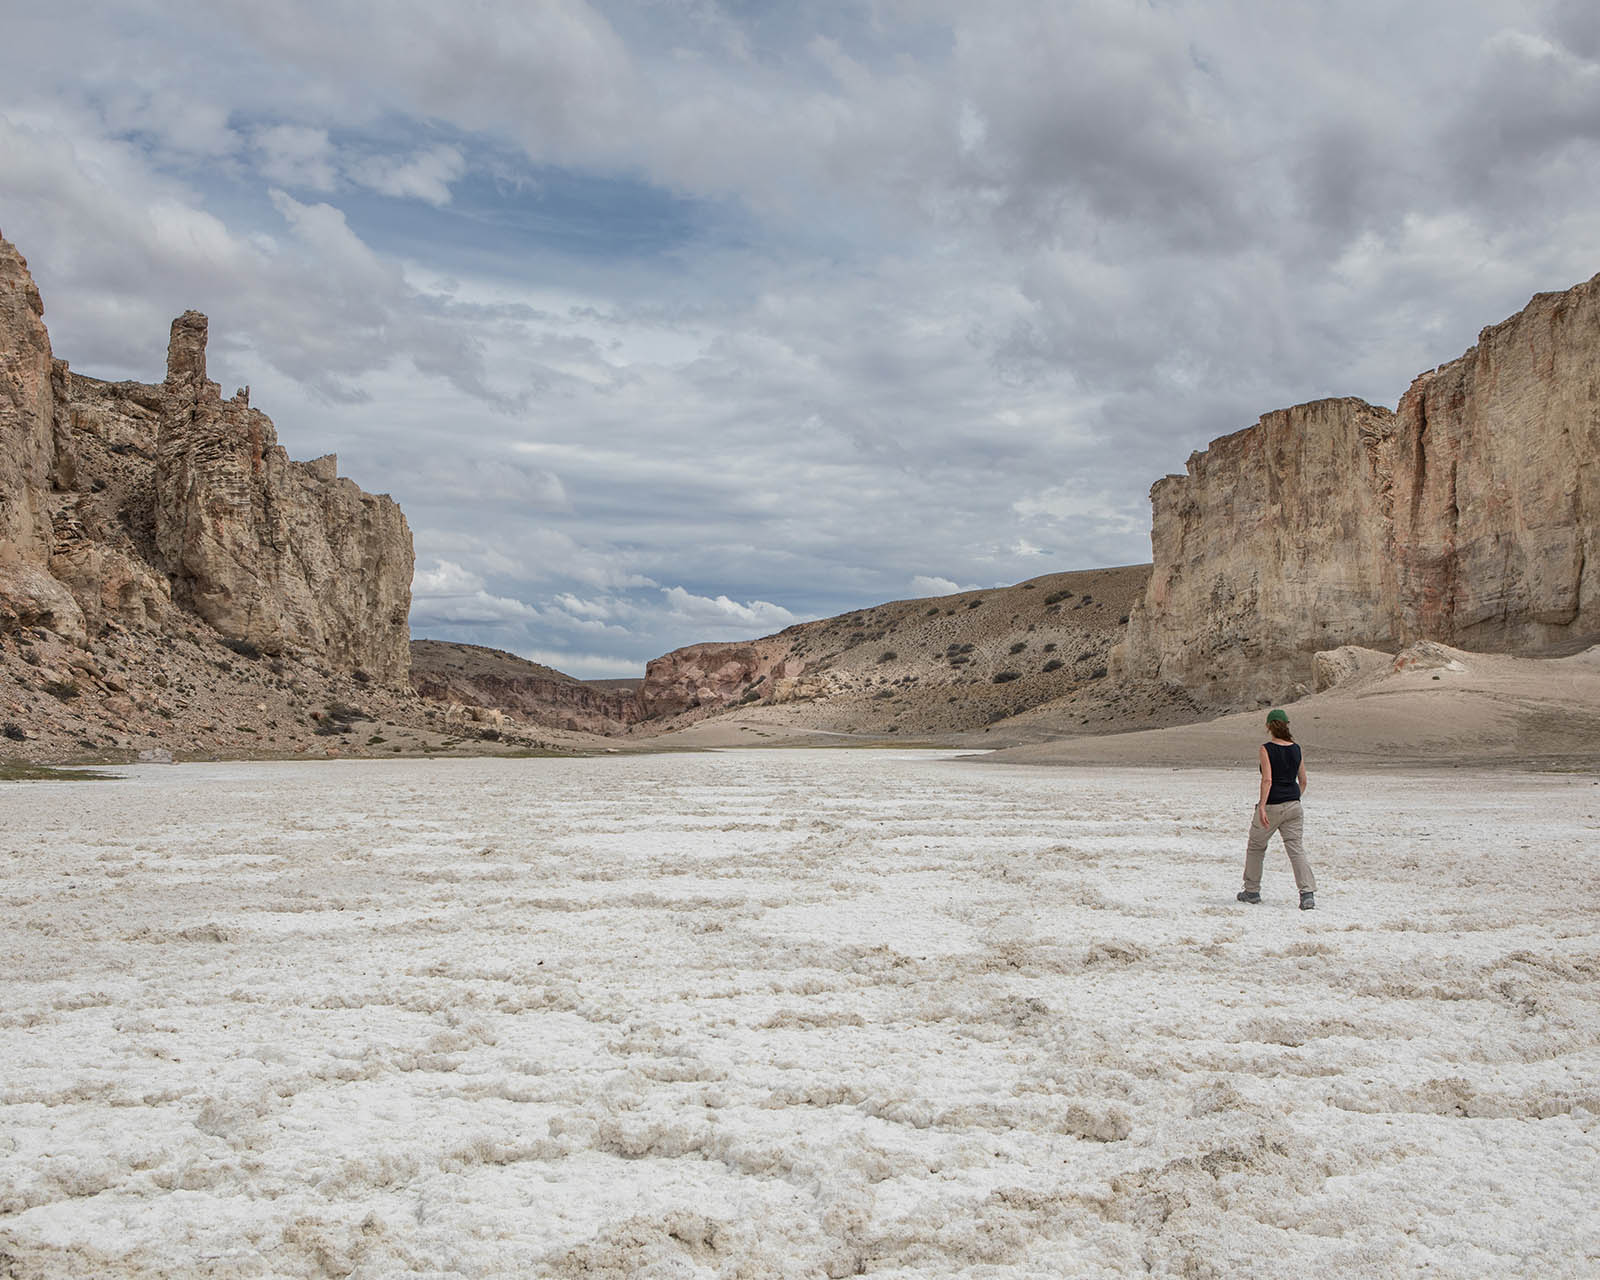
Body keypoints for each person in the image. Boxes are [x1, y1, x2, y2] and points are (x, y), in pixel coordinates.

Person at [1236, 708, 1316, 909]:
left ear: (1268, 727)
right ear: (1286, 724)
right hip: (1294, 806)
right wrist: (1294, 798)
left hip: (1272, 805)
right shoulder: (1296, 748)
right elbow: (1303, 780)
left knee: (1256, 846)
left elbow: (1267, 779)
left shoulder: (1266, 749)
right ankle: (1307, 894)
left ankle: (1252, 891)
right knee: (1295, 848)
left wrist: (1262, 806)